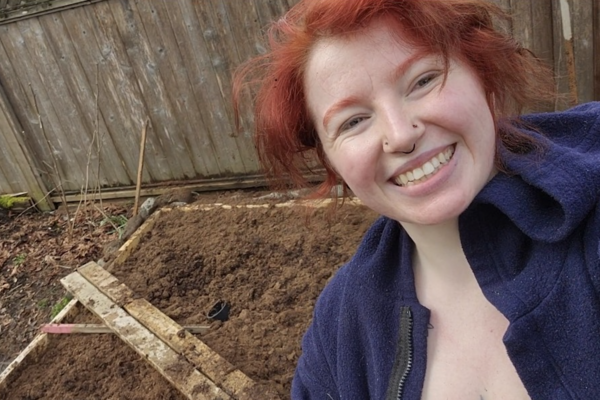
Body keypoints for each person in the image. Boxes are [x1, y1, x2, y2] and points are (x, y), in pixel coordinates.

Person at [233, 0, 600, 398]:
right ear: (333, 161)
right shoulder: (340, 329)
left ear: (483, 75)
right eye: (353, 121)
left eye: (423, 80)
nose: (401, 134)